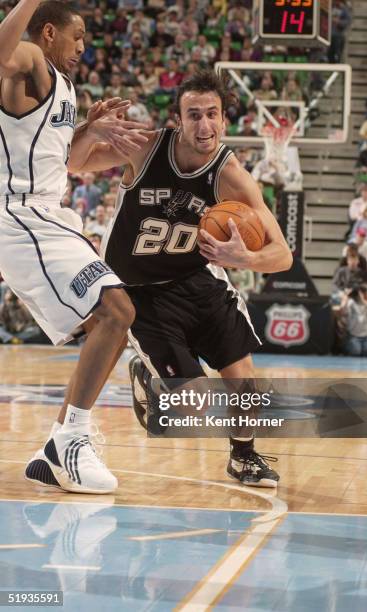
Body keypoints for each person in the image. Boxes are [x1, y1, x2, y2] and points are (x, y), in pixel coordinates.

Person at [71, 69, 293, 488]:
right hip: (139, 292)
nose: (204, 125)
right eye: (194, 115)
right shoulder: (148, 148)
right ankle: (147, 376)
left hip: (197, 279)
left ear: (225, 120)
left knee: (244, 381)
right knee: (194, 408)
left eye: (212, 114)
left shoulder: (231, 177)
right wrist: (88, 129)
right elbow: (73, 161)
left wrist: (243, 257)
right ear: (177, 119)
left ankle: (243, 457)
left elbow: (282, 256)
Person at [0, 0, 148, 494]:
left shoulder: (63, 87)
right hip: (20, 215)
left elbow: (67, 164)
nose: (84, 46)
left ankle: (60, 445)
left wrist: (90, 130)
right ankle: (70, 441)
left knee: (116, 318)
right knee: (115, 309)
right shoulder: (29, 59)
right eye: (77, 35)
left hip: (47, 213)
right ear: (47, 33)